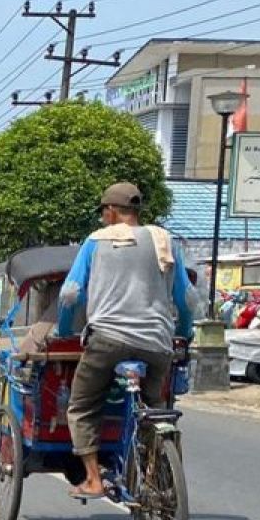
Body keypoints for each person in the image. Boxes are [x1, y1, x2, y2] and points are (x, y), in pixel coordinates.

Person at [55, 182, 194, 500]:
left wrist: (64, 332)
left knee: (82, 407)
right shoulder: (164, 239)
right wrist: (184, 332)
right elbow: (186, 298)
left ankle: (93, 479)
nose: (104, 218)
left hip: (107, 339)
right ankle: (155, 470)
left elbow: (70, 294)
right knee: (156, 408)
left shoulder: (95, 241)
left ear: (112, 211)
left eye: (104, 212)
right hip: (158, 343)